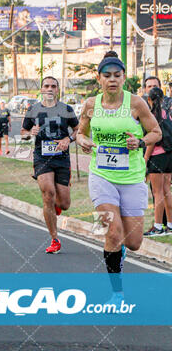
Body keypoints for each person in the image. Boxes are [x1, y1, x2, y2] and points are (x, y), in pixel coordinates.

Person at [77, 51, 161, 308]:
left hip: (133, 177)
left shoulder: (136, 103)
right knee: (112, 232)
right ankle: (116, 293)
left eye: (117, 75)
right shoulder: (91, 104)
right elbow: (80, 132)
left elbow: (156, 131)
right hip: (100, 176)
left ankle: (120, 248)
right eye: (107, 76)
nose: (112, 80)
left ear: (124, 78)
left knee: (133, 243)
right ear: (99, 78)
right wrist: (82, 141)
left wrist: (140, 141)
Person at [21, 76, 79, 254]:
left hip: (61, 158)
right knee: (48, 193)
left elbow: (78, 130)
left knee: (65, 203)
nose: (50, 89)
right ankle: (54, 239)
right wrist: (30, 132)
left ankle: (54, 208)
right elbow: (23, 133)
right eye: (46, 85)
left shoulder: (66, 109)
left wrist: (68, 139)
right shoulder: (33, 109)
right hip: (42, 157)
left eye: (53, 86)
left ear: (58, 89)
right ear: (41, 89)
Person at [143, 87, 172, 236]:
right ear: (162, 99)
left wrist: (145, 159)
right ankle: (170, 225)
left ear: (149, 100)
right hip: (169, 155)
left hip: (157, 156)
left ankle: (158, 226)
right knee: (167, 190)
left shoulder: (151, 116)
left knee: (157, 192)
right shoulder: (167, 114)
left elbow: (152, 141)